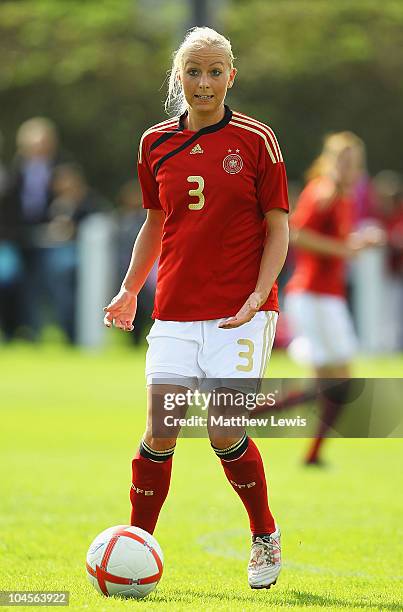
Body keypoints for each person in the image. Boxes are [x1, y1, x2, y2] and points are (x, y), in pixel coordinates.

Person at [104, 27, 289, 589]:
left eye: (214, 72)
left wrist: (258, 295)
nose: (203, 83)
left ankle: (264, 535)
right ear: (177, 78)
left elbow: (279, 227)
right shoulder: (154, 143)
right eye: (193, 72)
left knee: (222, 430)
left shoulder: (258, 140)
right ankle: (137, 549)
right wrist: (131, 288)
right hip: (176, 314)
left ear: (231, 76)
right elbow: (156, 225)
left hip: (242, 312)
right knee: (162, 430)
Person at [285, 132, 383, 465]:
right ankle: (245, 414)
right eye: (344, 160)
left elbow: (333, 241)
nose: (350, 168)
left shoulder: (341, 196)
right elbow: (297, 234)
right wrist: (344, 248)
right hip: (314, 295)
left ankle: (309, 451)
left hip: (325, 297)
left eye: (354, 162)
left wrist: (358, 242)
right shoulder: (323, 191)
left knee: (328, 383)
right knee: (339, 382)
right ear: (330, 161)